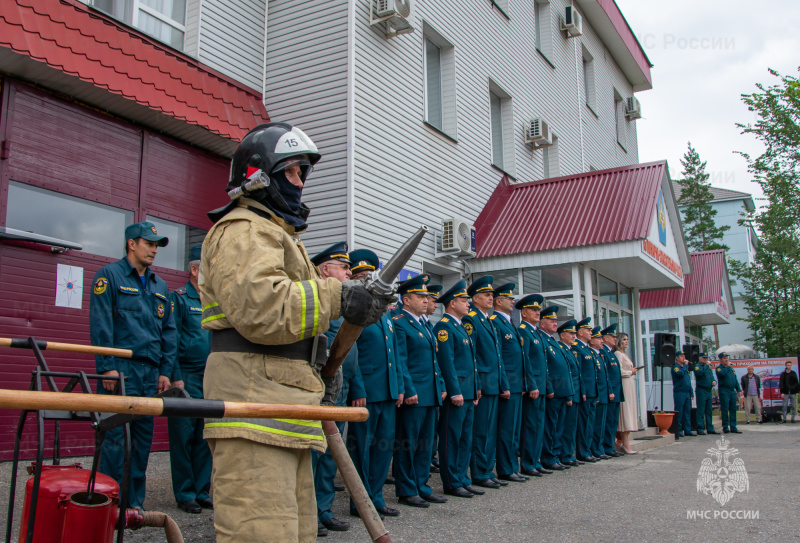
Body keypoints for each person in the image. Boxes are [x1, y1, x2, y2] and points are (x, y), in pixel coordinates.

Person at [198, 122, 391, 543]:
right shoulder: (245, 229)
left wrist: (317, 366)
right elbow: (261, 308)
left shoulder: (276, 234)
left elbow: (293, 323)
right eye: (292, 171)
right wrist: (340, 297)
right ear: (258, 174)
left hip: (280, 406)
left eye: (304, 172)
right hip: (254, 412)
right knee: (261, 534)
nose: (301, 182)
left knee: (296, 534)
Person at [90, 221, 175, 510]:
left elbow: (169, 332)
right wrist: (106, 366)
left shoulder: (159, 285)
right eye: (149, 243)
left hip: (150, 374)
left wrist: (165, 371)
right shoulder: (109, 276)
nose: (154, 250)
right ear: (132, 244)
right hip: (121, 371)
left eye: (156, 245)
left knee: (142, 441)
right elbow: (101, 323)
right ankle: (105, 503)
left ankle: (132, 506)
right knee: (115, 438)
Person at [346, 249, 405, 519]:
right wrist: (357, 388)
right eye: (359, 276)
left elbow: (394, 355)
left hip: (388, 392)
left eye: (369, 276)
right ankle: (360, 501)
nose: (365, 280)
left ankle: (376, 497)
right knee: (362, 450)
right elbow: (348, 351)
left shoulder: (384, 313)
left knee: (383, 449)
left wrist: (399, 387)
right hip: (366, 392)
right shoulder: (352, 310)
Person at [309, 242, 362, 536]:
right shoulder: (317, 300)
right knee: (315, 451)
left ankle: (324, 509)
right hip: (320, 388)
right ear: (325, 269)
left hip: (341, 387)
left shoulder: (342, 304)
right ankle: (309, 512)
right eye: (343, 267)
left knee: (332, 452)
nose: (349, 272)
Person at [393, 274, 447, 508]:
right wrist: (409, 389)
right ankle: (407, 489)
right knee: (409, 443)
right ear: (406, 300)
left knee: (426, 444)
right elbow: (401, 360)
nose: (426, 301)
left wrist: (442, 386)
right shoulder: (399, 322)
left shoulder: (425, 324)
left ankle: (422, 486)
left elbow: (434, 360)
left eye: (427, 297)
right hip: (415, 394)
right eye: (420, 297)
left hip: (430, 392)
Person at [168, 244, 212, 514]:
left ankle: (202, 490)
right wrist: (175, 377)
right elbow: (170, 340)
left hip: (210, 377)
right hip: (186, 376)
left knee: (206, 435)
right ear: (194, 270)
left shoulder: (213, 299)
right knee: (183, 436)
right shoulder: (180, 298)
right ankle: (185, 493)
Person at [434, 280, 482, 498]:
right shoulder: (444, 327)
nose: (468, 305)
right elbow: (447, 362)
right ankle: (452, 481)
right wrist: (454, 391)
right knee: (451, 438)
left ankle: (463, 478)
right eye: (464, 301)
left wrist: (476, 387)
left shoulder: (460, 326)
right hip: (457, 393)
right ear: (452, 303)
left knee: (465, 437)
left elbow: (470, 361)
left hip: (468, 391)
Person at [463, 276, 510, 488]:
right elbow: (471, 356)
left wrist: (503, 383)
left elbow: (498, 358)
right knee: (480, 431)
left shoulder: (488, 321)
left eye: (492, 295)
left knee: (490, 431)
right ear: (475, 298)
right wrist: (477, 384)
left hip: (493, 383)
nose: (491, 299)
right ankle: (480, 473)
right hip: (482, 384)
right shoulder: (471, 319)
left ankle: (487, 470)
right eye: (486, 295)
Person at [491, 283, 528, 482]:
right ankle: (505, 468)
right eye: (509, 298)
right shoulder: (495, 321)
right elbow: (499, 358)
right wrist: (504, 383)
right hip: (507, 384)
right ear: (499, 301)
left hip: (516, 385)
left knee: (513, 429)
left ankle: (512, 467)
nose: (513, 301)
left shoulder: (509, 322)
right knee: (506, 429)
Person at [516, 294, 550, 477]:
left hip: (541, 385)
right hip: (534, 386)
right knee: (530, 426)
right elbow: (525, 360)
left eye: (538, 310)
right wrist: (531, 384)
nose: (538, 313)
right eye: (534, 310)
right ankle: (528, 463)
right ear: (524, 313)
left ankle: (535, 461)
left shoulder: (535, 332)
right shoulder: (523, 331)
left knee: (538, 425)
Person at [539, 306, 574, 471]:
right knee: (550, 427)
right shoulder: (541, 339)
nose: (555, 324)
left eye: (555, 321)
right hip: (552, 391)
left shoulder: (552, 340)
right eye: (551, 321)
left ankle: (555, 455)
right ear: (542, 323)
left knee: (558, 427)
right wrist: (549, 387)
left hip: (562, 391)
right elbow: (544, 367)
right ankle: (548, 457)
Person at [572, 318, 599, 463]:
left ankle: (587, 450)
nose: (591, 333)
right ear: (580, 332)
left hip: (592, 391)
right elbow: (580, 372)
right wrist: (583, 391)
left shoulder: (586, 349)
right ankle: (583, 451)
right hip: (585, 392)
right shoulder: (576, 347)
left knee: (589, 423)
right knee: (584, 424)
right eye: (588, 330)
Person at [557, 320, 582, 467]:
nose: (573, 336)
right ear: (562, 335)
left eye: (574, 333)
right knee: (565, 427)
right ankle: (564, 455)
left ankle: (568, 454)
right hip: (568, 393)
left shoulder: (569, 350)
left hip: (574, 392)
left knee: (571, 427)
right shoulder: (561, 348)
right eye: (570, 333)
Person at [600, 325, 625, 456]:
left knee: (613, 421)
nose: (615, 339)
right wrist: (610, 390)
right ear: (604, 338)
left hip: (616, 392)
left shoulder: (610, 352)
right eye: (612, 336)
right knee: (608, 421)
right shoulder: (603, 352)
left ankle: (610, 445)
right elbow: (606, 374)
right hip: (610, 392)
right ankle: (606, 446)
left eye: (616, 337)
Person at [589, 327, 613, 460]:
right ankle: (595, 449)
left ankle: (599, 448)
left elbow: (606, 376)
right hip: (597, 394)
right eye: (598, 338)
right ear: (591, 341)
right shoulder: (591, 354)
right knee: (596, 424)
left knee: (602, 424)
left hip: (603, 394)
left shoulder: (599, 355)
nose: (601, 341)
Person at [614, 333, 639, 454]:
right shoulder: (618, 354)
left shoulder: (625, 354)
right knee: (625, 412)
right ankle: (624, 442)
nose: (626, 342)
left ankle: (624, 441)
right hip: (624, 383)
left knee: (630, 411)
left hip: (629, 384)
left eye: (627, 339)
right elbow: (617, 370)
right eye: (624, 339)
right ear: (619, 341)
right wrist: (630, 372)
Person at [691, 352, 717, 435]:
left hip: (708, 390)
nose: (705, 360)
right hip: (701, 390)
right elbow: (699, 374)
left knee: (709, 410)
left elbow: (711, 376)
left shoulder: (707, 367)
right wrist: (706, 366)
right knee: (701, 410)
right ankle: (700, 428)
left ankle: (710, 427)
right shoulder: (697, 366)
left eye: (706, 358)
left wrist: (714, 381)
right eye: (704, 358)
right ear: (700, 358)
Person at [715, 352, 742, 433]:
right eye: (724, 358)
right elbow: (722, 374)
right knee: (725, 409)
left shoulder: (731, 369)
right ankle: (725, 427)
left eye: (727, 358)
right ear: (720, 359)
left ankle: (733, 427)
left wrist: (738, 389)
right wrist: (727, 367)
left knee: (733, 409)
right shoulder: (719, 368)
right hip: (724, 391)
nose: (726, 360)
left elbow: (735, 379)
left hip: (732, 391)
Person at [671, 351, 695, 437]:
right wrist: (685, 366)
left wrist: (691, 393)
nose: (683, 358)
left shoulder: (685, 368)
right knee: (679, 412)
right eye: (681, 356)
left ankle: (688, 430)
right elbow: (680, 374)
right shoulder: (675, 367)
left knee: (687, 412)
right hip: (679, 392)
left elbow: (688, 381)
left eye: (684, 356)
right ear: (677, 358)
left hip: (687, 393)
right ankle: (679, 430)